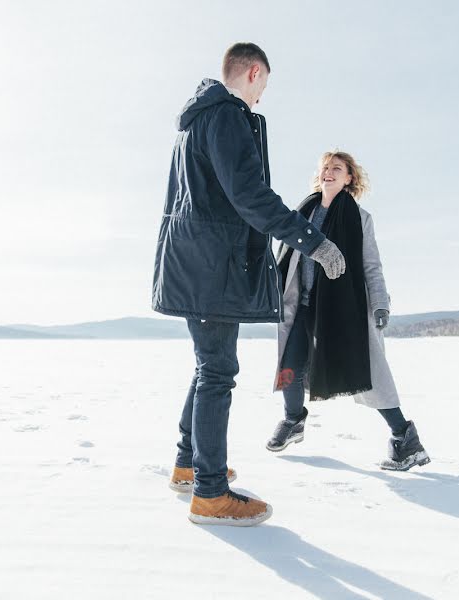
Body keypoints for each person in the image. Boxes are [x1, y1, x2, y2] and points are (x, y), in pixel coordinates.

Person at [152, 43, 346, 526]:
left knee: (207, 368)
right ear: (254, 73)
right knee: (217, 372)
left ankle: (187, 465)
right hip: (210, 264)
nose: (261, 98)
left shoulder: (201, 118)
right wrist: (312, 241)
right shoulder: (226, 115)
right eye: (264, 86)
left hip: (198, 261)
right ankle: (211, 493)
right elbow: (249, 195)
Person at [266, 150, 430, 471]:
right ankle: (293, 419)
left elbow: (371, 265)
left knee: (366, 371)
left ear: (349, 177)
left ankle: (404, 438)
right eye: (325, 168)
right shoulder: (303, 212)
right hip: (301, 304)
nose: (328, 172)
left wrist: (381, 303)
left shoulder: (360, 218)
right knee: (290, 364)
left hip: (344, 308)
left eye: (336, 168)